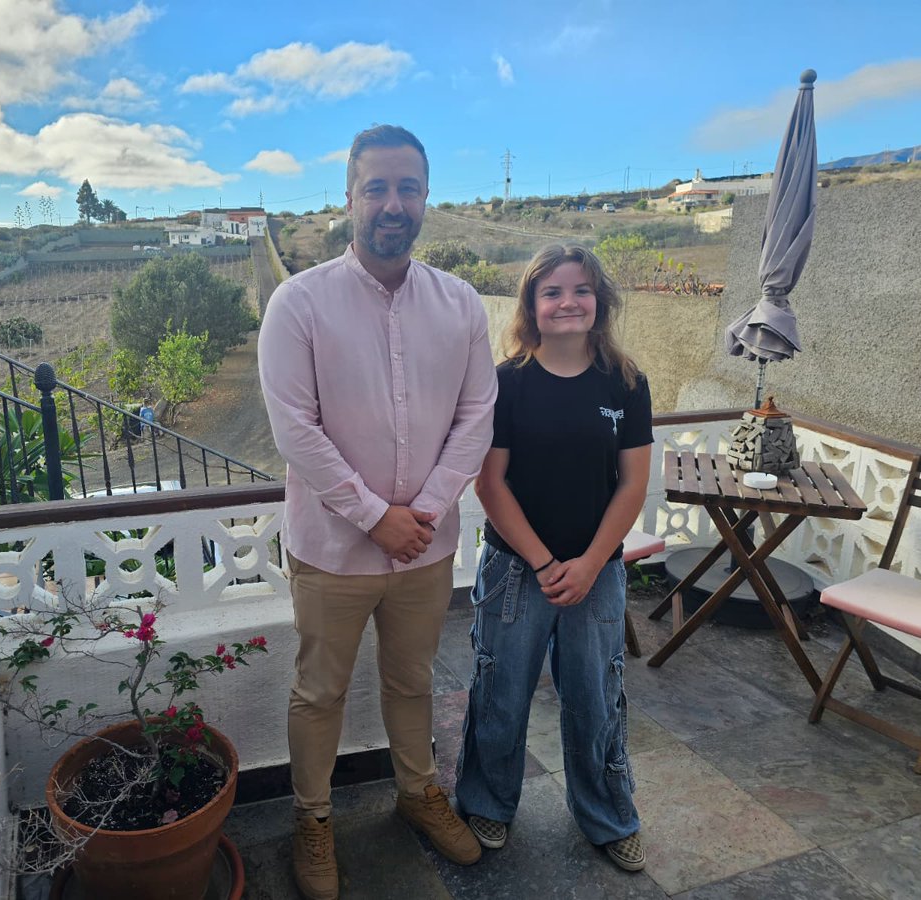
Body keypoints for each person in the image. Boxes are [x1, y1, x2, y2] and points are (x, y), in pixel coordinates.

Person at [258, 124, 497, 899]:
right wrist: (373, 516)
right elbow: (296, 428)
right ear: (349, 197)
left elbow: (476, 416)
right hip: (332, 550)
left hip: (423, 550)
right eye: (378, 188)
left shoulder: (459, 304)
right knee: (319, 691)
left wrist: (420, 513)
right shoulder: (299, 303)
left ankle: (419, 792)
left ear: (426, 198)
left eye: (409, 188)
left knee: (413, 681)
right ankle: (313, 817)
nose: (394, 204)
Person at [454, 244, 652, 873]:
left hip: (598, 572)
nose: (568, 302)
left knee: (596, 696)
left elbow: (632, 484)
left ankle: (608, 816)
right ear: (532, 306)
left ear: (600, 302)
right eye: (552, 292)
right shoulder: (507, 382)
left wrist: (592, 563)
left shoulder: (626, 382)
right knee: (501, 690)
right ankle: (487, 801)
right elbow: (491, 484)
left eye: (581, 290)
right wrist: (544, 564)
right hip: (517, 571)